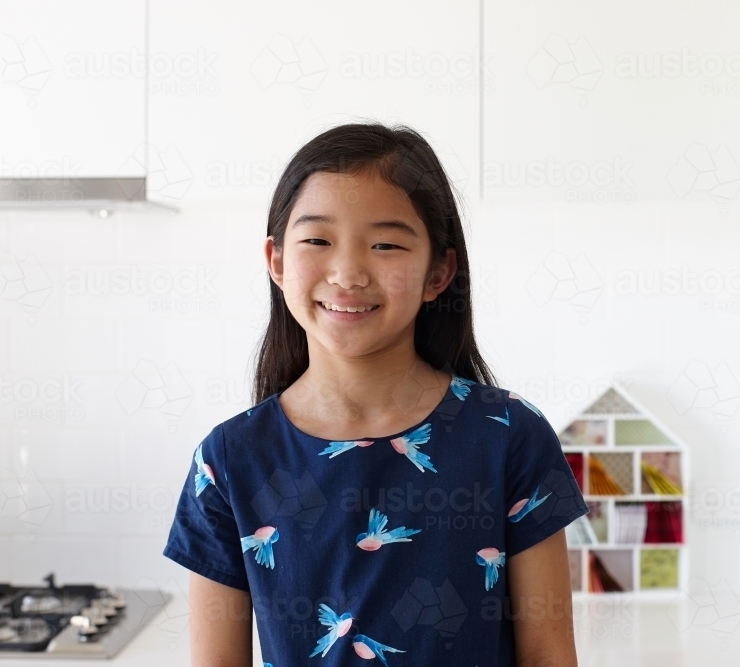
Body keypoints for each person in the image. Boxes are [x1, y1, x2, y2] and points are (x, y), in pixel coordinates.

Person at [162, 122, 589, 667]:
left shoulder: (509, 437)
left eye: (386, 244)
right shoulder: (227, 461)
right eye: (317, 240)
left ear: (439, 271)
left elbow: (549, 655)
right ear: (277, 261)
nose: (348, 273)